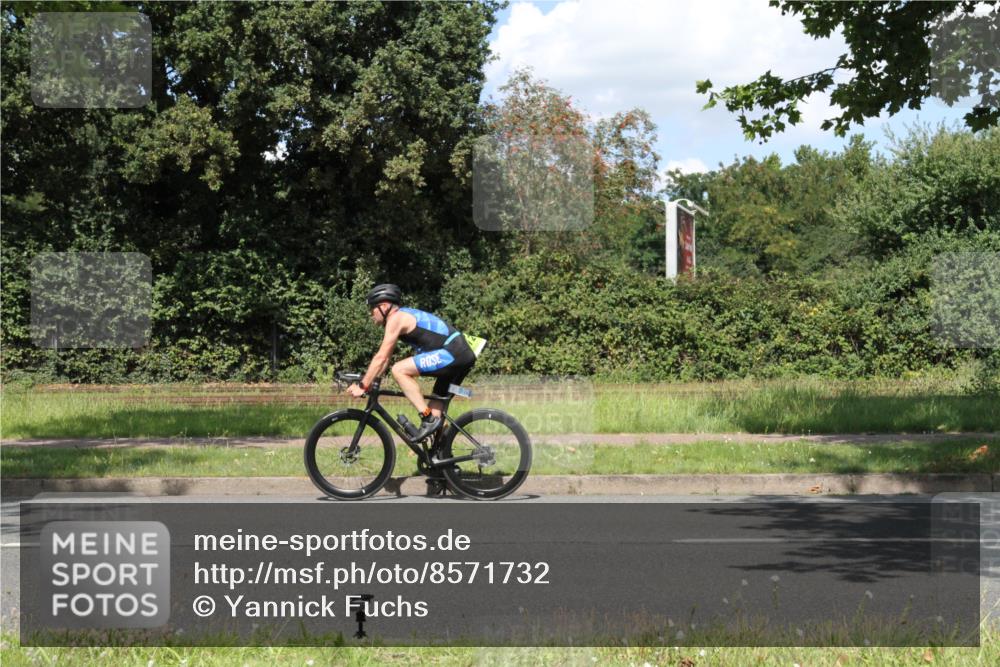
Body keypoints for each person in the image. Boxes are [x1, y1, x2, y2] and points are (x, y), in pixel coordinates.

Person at [346, 283, 476, 440]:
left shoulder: (396, 318)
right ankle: (441, 458)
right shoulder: (400, 317)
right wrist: (372, 381)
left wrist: (363, 385)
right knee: (436, 412)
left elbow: (381, 357)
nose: (370, 314)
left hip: (454, 352)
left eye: (372, 308)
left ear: (384, 306)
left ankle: (427, 418)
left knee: (399, 370)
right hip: (459, 353)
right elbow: (384, 359)